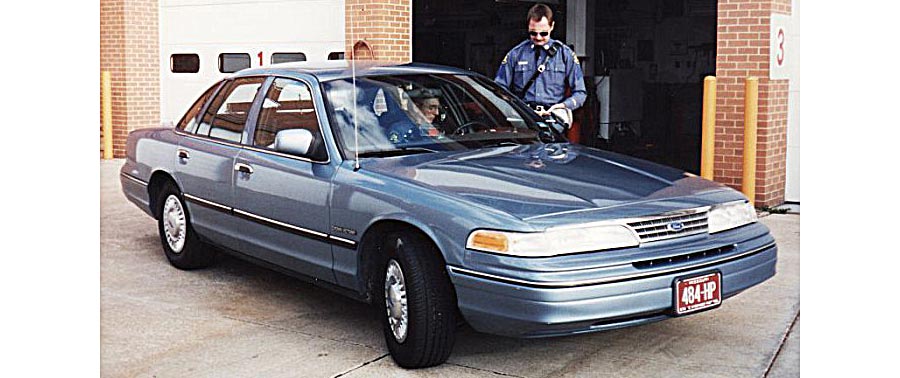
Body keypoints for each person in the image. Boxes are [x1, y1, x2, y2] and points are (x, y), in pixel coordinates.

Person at [494, 3, 586, 121]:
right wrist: (512, 107)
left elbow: (580, 93)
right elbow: (499, 88)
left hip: (553, 119)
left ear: (552, 26)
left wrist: (563, 106)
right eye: (533, 33)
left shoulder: (565, 54)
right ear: (528, 27)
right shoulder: (516, 54)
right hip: (523, 118)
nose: (538, 37)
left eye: (543, 33)